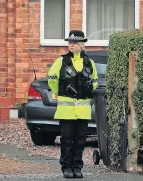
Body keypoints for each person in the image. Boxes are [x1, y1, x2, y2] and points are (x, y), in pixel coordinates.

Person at [48, 30, 98, 179]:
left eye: (74, 43)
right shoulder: (61, 61)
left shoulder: (89, 63)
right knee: (67, 139)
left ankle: (77, 166)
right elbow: (52, 78)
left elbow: (95, 81)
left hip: (83, 110)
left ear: (82, 45)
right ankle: (67, 167)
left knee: (80, 140)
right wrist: (58, 92)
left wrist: (90, 88)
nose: (71, 45)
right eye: (69, 42)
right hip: (66, 111)